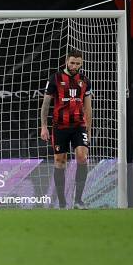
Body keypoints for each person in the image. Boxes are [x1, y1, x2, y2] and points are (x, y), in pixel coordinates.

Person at [40, 50, 92, 209]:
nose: (74, 66)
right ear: (66, 61)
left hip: (79, 126)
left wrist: (88, 131)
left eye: (78, 63)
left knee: (82, 158)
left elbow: (88, 107)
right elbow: (46, 104)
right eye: (72, 63)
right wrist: (43, 126)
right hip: (60, 127)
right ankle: (62, 202)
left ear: (81, 63)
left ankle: (78, 201)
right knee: (60, 162)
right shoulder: (55, 78)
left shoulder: (84, 80)